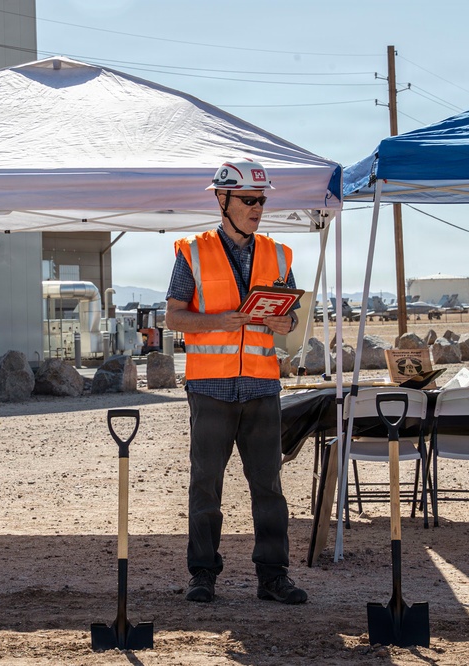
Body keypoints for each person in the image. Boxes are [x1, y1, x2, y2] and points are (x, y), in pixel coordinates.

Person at [164, 158, 306, 605]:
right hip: (211, 389)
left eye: (261, 200)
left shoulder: (279, 255)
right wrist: (216, 320)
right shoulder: (193, 252)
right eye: (249, 200)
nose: (257, 208)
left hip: (262, 387)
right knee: (206, 486)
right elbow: (173, 317)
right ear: (222, 200)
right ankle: (203, 574)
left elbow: (291, 316)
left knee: (269, 488)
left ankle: (273, 577)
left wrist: (286, 323)